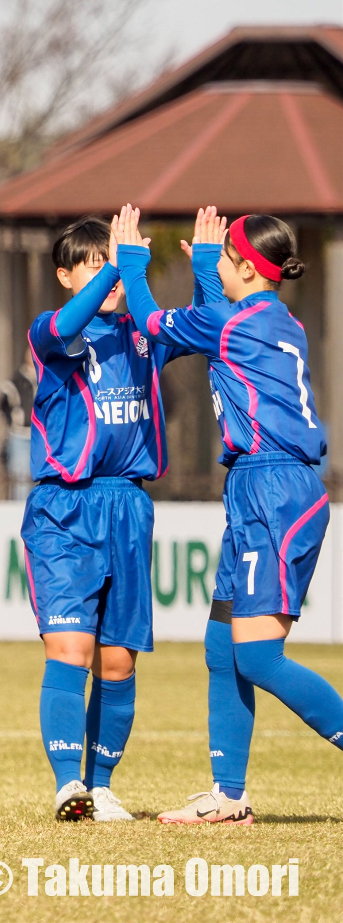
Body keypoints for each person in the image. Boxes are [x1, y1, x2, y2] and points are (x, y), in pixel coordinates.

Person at [116, 208, 343, 824]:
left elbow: (153, 322)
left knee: (257, 657)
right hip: (258, 489)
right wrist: (209, 273)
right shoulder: (267, 317)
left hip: (273, 492)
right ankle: (228, 795)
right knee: (223, 646)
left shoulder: (234, 320)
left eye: (224, 259)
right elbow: (212, 326)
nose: (215, 263)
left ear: (245, 267)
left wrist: (132, 261)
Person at [21, 207, 191, 823]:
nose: (107, 274)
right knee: (71, 650)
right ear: (66, 275)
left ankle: (103, 784)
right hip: (65, 508)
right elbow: (68, 322)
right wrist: (117, 264)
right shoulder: (53, 329)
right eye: (91, 264)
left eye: (109, 261)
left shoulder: (145, 331)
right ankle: (69, 784)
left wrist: (196, 263)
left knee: (118, 661)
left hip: (128, 504)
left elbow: (198, 323)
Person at [0, 354, 36, 500]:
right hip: (20, 435)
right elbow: (2, 404)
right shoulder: (16, 380)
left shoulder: (49, 376)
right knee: (21, 480)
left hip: (45, 435)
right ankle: (20, 514)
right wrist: (14, 419)